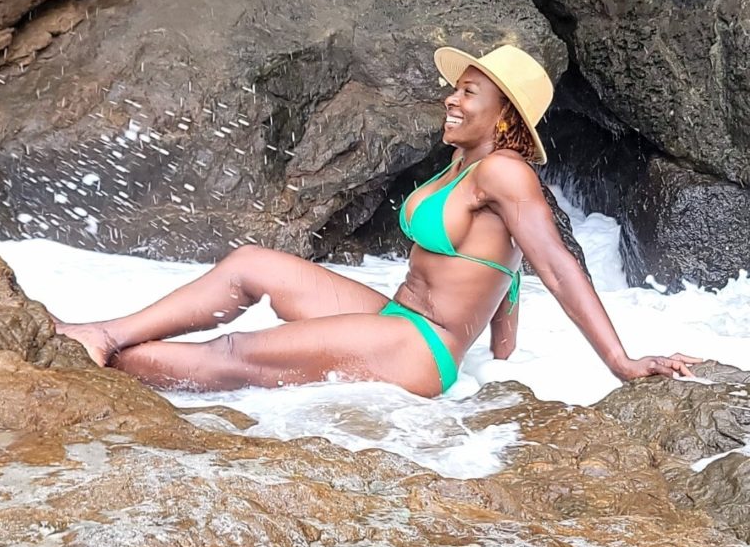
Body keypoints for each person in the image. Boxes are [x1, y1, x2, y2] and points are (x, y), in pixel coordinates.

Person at [53, 43, 698, 396]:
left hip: (420, 351)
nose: (452, 97)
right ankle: (107, 333)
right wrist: (502, 355)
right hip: (396, 319)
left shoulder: (505, 172)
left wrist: (620, 362)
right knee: (251, 265)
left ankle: (97, 364)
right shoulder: (460, 167)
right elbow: (509, 265)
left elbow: (555, 262)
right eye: (457, 87)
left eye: (469, 93)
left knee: (236, 355)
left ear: (503, 116)